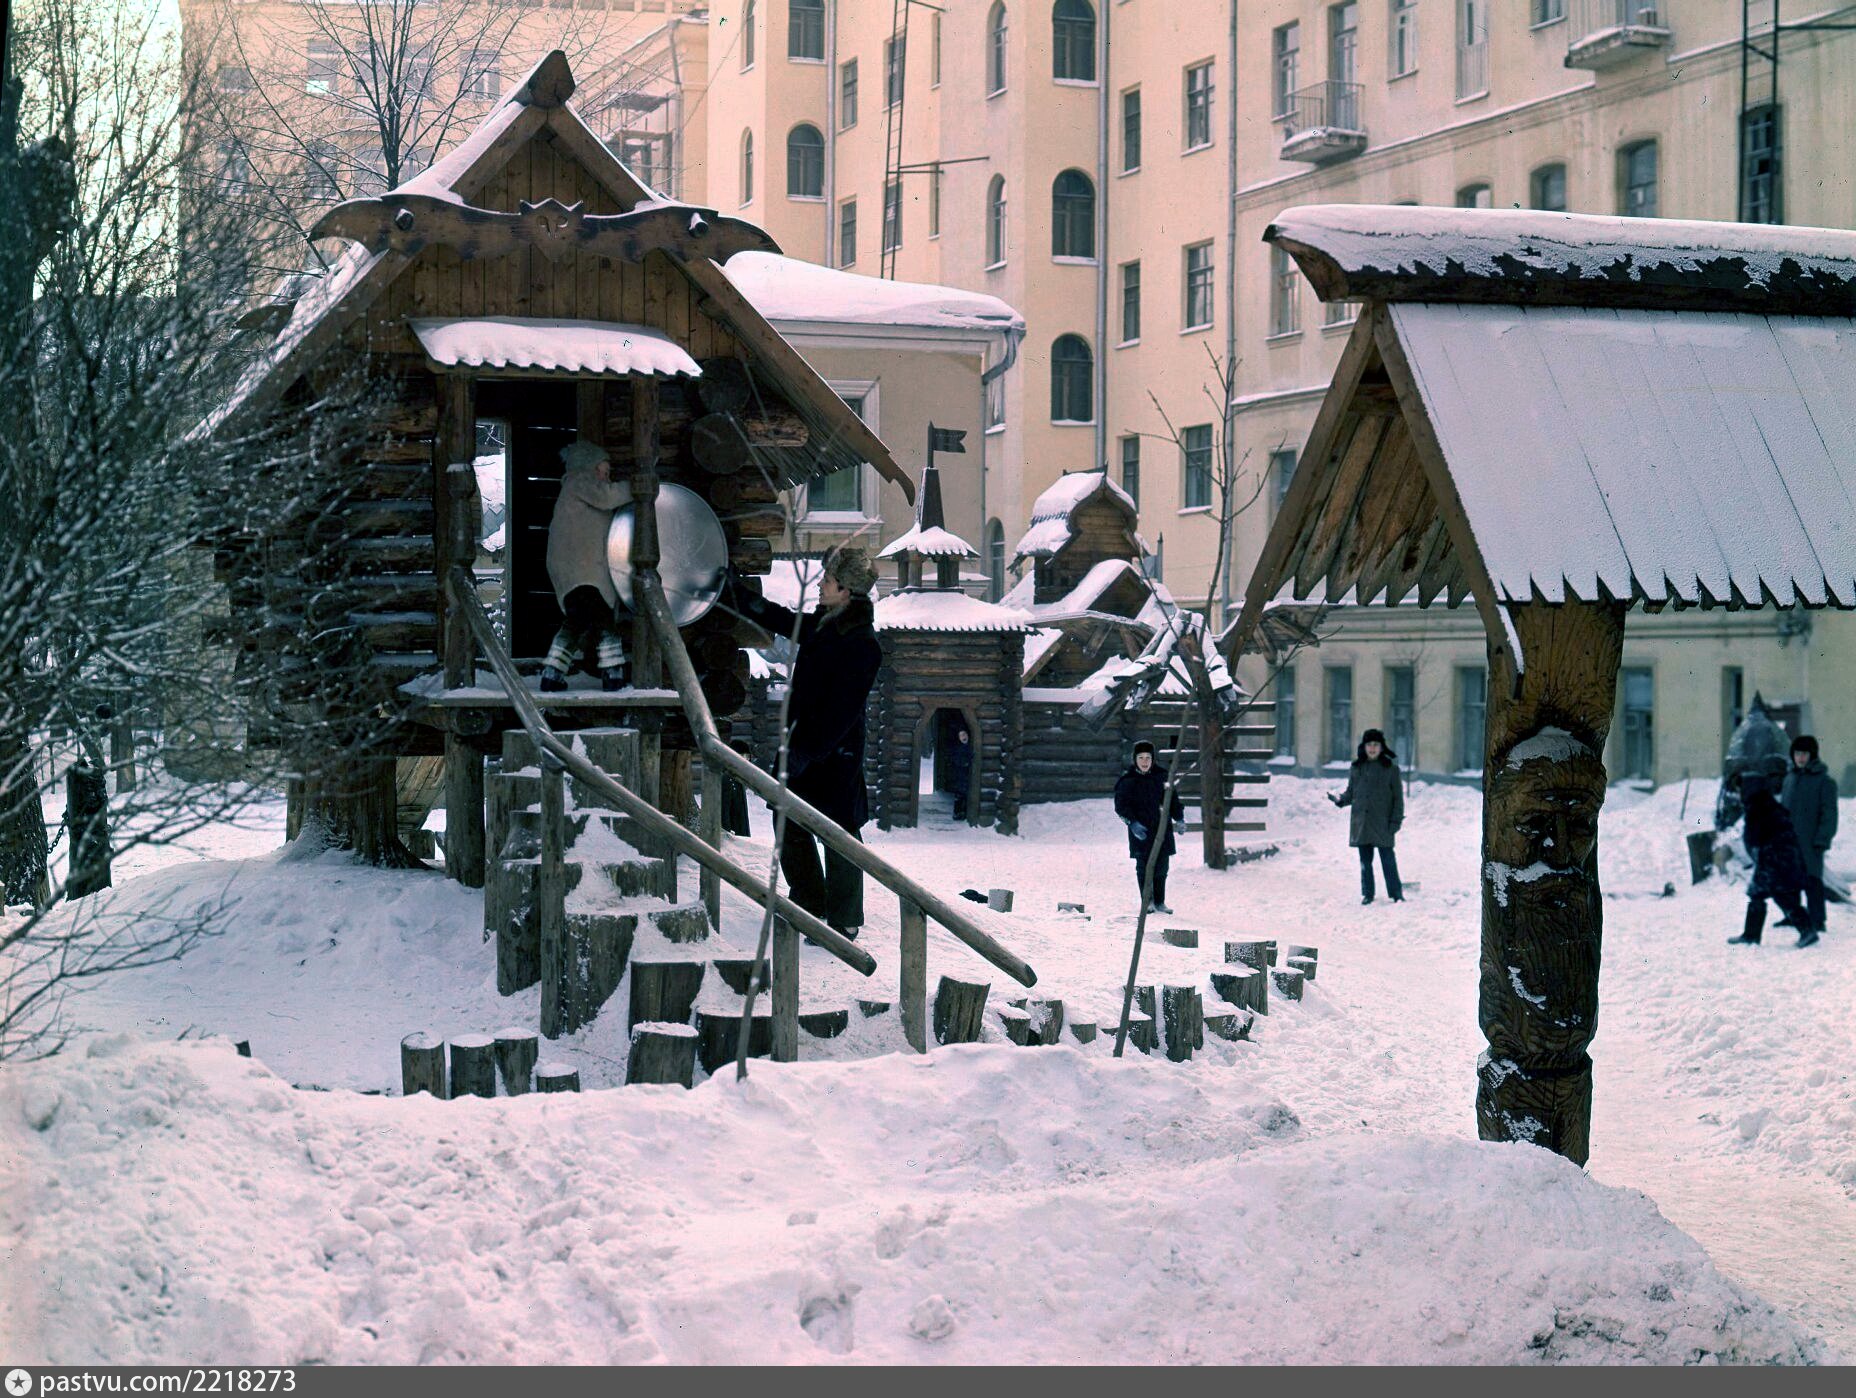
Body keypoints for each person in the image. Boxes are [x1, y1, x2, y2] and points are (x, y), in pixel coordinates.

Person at [732, 547, 882, 936]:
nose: (820, 585)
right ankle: (810, 902)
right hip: (803, 747)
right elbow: (785, 620)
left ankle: (845, 921)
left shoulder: (862, 643)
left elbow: (842, 713)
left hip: (834, 755)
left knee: (840, 834)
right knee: (786, 818)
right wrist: (739, 595)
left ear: (846, 590)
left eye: (828, 581)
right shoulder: (824, 624)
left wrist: (807, 752)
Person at [541, 439, 631, 692]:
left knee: (576, 622)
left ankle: (552, 673)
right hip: (582, 572)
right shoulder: (579, 482)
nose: (607, 478)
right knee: (604, 622)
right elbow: (608, 497)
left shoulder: (573, 491)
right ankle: (613, 673)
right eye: (603, 471)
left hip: (574, 571)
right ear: (588, 467)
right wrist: (637, 486)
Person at [1730, 787, 1815, 947]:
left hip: (1774, 861)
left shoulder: (1756, 809)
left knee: (1780, 895)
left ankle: (1807, 931)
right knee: (1758, 894)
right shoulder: (1771, 807)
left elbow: (1753, 838)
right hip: (1782, 859)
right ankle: (1751, 935)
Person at [1330, 728, 1404, 905]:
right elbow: (1351, 792)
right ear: (1364, 747)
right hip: (1361, 823)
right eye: (1369, 745)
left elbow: (1398, 799)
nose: (1372, 748)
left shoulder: (1391, 769)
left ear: (1381, 747)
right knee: (1365, 862)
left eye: (1376, 745)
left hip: (1382, 823)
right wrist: (1340, 800)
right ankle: (1368, 893)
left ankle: (1396, 894)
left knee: (1388, 860)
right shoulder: (1357, 768)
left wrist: (1395, 821)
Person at [1113, 740, 1185, 916]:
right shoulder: (1128, 781)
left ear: (1153, 759)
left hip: (1162, 829)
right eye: (1141, 758)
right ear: (1135, 759)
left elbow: (1173, 800)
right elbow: (1121, 806)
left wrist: (1179, 818)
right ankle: (1148, 901)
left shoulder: (1162, 777)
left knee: (1162, 867)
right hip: (1141, 832)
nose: (1144, 761)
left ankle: (1160, 901)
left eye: (1148, 758)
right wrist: (1132, 823)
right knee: (1143, 867)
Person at [1780, 734, 1837, 936]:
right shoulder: (1789, 779)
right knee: (1790, 880)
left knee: (1812, 881)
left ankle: (1817, 920)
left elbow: (1829, 815)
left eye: (1804, 754)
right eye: (1797, 754)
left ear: (1812, 755)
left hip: (1811, 842)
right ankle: (1793, 916)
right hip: (1789, 841)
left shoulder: (1824, 782)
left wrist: (1822, 839)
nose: (1800, 758)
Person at [948, 724, 974, 822]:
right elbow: (955, 760)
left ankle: (964, 813)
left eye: (964, 734)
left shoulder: (971, 746)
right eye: (961, 735)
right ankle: (957, 813)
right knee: (959, 795)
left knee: (967, 795)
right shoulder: (957, 748)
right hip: (960, 775)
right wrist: (964, 763)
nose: (963, 737)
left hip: (968, 776)